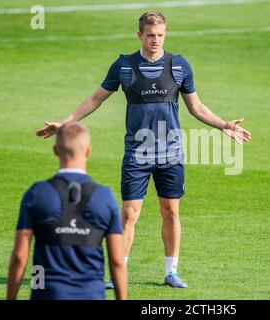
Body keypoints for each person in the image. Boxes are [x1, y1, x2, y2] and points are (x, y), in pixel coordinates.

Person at [36, 11, 251, 288]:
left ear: (166, 34)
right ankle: (119, 272)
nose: (156, 40)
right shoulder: (124, 66)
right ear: (140, 35)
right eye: (150, 35)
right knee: (128, 214)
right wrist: (65, 124)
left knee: (171, 211)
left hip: (170, 153)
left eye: (160, 35)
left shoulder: (179, 66)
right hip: (137, 154)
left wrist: (223, 125)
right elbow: (95, 98)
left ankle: (171, 271)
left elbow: (196, 107)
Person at [7, 122, 127, 300]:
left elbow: (19, 257)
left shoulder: (36, 193)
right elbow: (117, 261)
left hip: (47, 295)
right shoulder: (105, 197)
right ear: (88, 151)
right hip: (91, 295)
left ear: (55, 150)